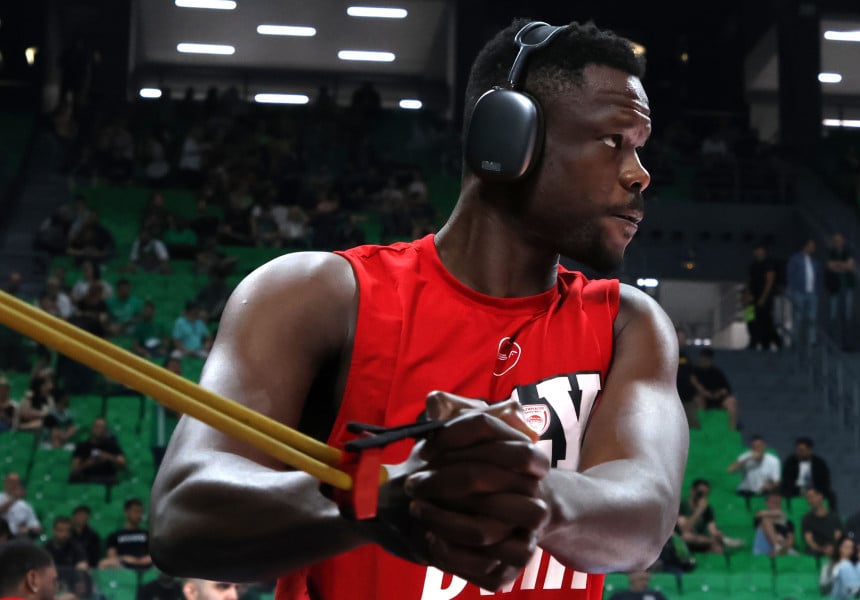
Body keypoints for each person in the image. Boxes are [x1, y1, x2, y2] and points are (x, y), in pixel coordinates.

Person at [150, 19, 688, 599]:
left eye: (640, 147)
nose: (639, 173)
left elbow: (646, 515)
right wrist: (376, 499)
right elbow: (184, 512)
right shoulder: (316, 295)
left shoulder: (628, 323)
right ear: (507, 137)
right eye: (613, 141)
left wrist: (519, 488)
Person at [781, 437, 835, 510]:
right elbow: (786, 480)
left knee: (831, 496)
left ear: (810, 450)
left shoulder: (819, 463)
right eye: (797, 450)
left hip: (815, 490)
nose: (798, 453)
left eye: (801, 451)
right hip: (796, 490)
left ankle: (830, 515)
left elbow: (825, 481)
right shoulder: (790, 462)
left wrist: (815, 491)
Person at [99, 498, 152, 571]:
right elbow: (111, 556)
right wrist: (124, 558)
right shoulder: (114, 535)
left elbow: (154, 554)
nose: (139, 515)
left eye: (141, 512)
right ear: (126, 512)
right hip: (123, 566)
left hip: (145, 565)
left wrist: (144, 559)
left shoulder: (147, 534)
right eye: (136, 511)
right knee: (104, 563)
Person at [728, 435, 781, 506]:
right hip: (746, 491)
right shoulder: (745, 457)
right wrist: (747, 459)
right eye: (754, 447)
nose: (757, 449)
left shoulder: (774, 461)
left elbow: (777, 481)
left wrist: (770, 486)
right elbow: (730, 470)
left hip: (764, 491)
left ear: (764, 447)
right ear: (751, 449)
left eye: (759, 446)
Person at [676, 479, 726, 554]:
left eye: (705, 494)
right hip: (681, 538)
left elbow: (712, 530)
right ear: (692, 491)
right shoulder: (682, 505)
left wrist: (717, 534)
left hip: (699, 539)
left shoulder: (707, 509)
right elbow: (684, 529)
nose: (702, 497)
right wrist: (699, 511)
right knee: (686, 537)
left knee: (718, 548)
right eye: (700, 493)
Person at [43, 516, 90, 594]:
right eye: (60, 530)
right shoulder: (45, 548)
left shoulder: (76, 547)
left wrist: (80, 576)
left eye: (67, 531)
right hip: (52, 584)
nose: (64, 534)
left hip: (71, 586)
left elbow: (82, 565)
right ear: (54, 531)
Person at [70, 418, 126, 484]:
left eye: (102, 427)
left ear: (106, 430)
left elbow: (123, 465)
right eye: (97, 426)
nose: (99, 430)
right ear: (92, 429)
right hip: (88, 480)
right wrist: (88, 464)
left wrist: (108, 457)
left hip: (108, 480)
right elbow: (74, 472)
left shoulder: (112, 445)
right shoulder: (82, 447)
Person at [694, 349, 739, 430]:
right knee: (698, 399)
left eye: (707, 359)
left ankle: (732, 430)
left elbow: (726, 389)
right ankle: (701, 428)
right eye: (703, 359)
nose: (705, 361)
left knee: (731, 401)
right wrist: (705, 393)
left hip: (717, 399)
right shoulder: (694, 372)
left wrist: (719, 393)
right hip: (703, 399)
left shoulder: (716, 372)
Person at [747, 243, 781, 351]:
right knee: (749, 318)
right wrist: (748, 294)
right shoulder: (753, 265)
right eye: (757, 250)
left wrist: (763, 297)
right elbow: (750, 281)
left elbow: (770, 281)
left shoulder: (768, 263)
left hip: (765, 298)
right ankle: (753, 341)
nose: (758, 252)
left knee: (765, 321)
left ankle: (770, 342)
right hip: (753, 297)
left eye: (760, 250)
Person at [786, 239, 819, 347]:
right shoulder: (795, 259)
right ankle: (795, 340)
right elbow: (791, 275)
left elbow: (816, 276)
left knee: (812, 318)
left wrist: (816, 291)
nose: (813, 248)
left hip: (812, 293)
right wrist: (792, 290)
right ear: (805, 246)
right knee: (798, 317)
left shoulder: (814, 261)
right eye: (811, 246)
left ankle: (812, 341)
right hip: (799, 292)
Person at [825, 233, 856, 346]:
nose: (838, 242)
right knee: (832, 316)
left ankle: (847, 344)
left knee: (847, 316)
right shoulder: (831, 252)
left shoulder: (848, 252)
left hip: (847, 288)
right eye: (836, 240)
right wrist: (844, 265)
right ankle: (831, 344)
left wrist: (838, 265)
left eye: (840, 240)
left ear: (843, 241)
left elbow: (850, 267)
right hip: (835, 288)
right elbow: (830, 266)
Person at [801, 487, 842, 558]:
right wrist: (822, 549)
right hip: (816, 552)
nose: (810, 501)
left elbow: (838, 535)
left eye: (812, 497)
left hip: (833, 548)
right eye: (808, 498)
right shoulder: (806, 519)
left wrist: (831, 547)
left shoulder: (834, 517)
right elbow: (809, 540)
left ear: (820, 496)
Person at [751, 491, 795, 556]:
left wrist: (783, 550)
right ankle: (777, 546)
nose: (776, 504)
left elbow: (790, 540)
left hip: (783, 550)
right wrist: (779, 513)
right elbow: (758, 514)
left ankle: (778, 548)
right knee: (765, 520)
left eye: (778, 502)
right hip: (763, 552)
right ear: (766, 503)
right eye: (773, 502)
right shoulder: (761, 518)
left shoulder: (788, 522)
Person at [0, 473, 42, 538]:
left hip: (16, 538)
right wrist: (13, 499)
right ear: (5, 483)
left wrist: (28, 530)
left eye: (15, 483)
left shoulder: (25, 506)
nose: (13, 485)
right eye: (10, 482)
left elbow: (37, 528)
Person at [675, 330, 703, 429]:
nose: (682, 341)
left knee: (693, 424)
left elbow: (691, 376)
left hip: (687, 397)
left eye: (684, 338)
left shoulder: (686, 357)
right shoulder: (667, 354)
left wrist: (700, 389)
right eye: (680, 338)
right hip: (673, 396)